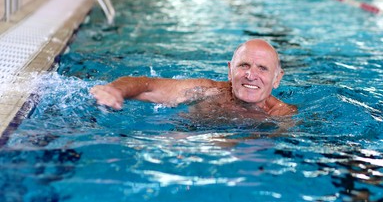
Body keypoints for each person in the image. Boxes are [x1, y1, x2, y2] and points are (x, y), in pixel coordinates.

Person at [90, 39, 297, 117]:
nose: (251, 75)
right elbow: (148, 85)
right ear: (229, 71)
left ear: (277, 79)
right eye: (244, 65)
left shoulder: (282, 115)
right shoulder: (206, 91)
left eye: (262, 69)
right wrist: (116, 90)